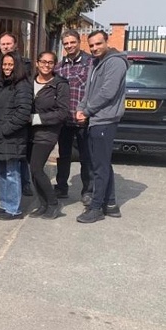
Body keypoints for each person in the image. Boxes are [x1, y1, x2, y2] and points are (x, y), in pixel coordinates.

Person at [75, 30, 129, 223]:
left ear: (107, 41)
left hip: (105, 120)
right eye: (91, 45)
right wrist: (81, 108)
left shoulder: (115, 62)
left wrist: (87, 111)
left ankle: (96, 208)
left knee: (99, 166)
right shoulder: (96, 62)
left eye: (98, 43)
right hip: (96, 119)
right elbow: (89, 91)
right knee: (102, 163)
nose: (94, 48)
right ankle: (111, 204)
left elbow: (107, 92)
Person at [0, 52, 33, 221]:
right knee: (3, 172)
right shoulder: (2, 84)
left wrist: (4, 129)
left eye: (10, 64)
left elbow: (23, 113)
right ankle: (5, 204)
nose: (7, 67)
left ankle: (14, 209)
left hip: (11, 137)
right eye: (4, 64)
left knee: (12, 173)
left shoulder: (22, 85)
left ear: (17, 66)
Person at [27, 51, 70, 220]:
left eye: (50, 62)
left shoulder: (60, 84)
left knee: (36, 168)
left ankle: (53, 203)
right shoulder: (29, 81)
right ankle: (43, 204)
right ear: (37, 63)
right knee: (33, 170)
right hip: (28, 132)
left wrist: (37, 119)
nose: (46, 65)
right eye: (43, 62)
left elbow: (62, 112)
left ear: (54, 64)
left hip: (47, 132)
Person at [55, 29, 93, 203]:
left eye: (72, 42)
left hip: (83, 119)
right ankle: (61, 187)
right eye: (66, 43)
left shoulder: (91, 63)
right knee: (63, 156)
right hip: (64, 119)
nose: (69, 46)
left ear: (79, 41)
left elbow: (95, 90)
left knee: (86, 157)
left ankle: (88, 191)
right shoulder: (59, 67)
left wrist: (88, 112)